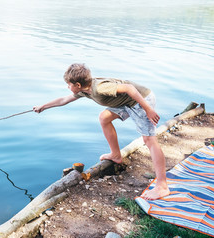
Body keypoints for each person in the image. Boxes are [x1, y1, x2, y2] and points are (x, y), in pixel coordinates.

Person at [33, 63, 170, 200]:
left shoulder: (99, 88)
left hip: (140, 100)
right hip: (125, 103)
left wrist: (148, 109)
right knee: (104, 118)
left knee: (149, 140)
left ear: (78, 85)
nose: (68, 87)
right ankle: (116, 155)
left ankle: (162, 186)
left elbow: (129, 89)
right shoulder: (84, 90)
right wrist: (43, 107)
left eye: (69, 84)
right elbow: (63, 100)